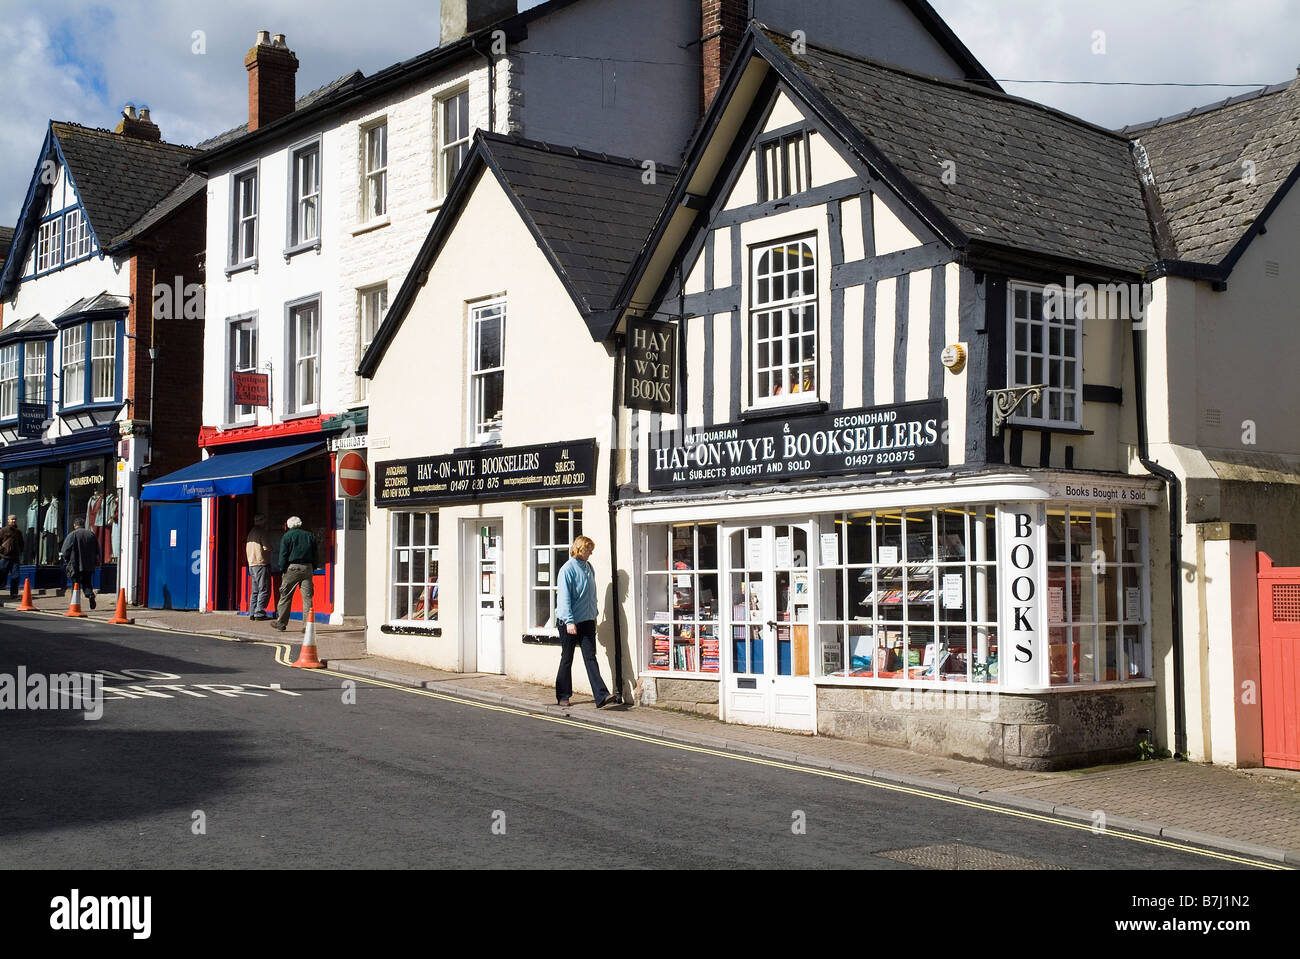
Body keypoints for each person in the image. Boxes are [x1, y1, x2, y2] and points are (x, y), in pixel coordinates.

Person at [554, 534, 618, 708]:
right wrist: (569, 621)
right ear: (579, 549)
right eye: (588, 550)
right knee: (567, 658)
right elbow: (564, 598)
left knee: (590, 657)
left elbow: (591, 594)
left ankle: (601, 696)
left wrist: (594, 614)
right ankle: (563, 695)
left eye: (591, 550)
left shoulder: (589, 567)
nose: (590, 553)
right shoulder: (567, 569)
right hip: (569, 622)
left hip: (587, 620)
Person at [271, 516, 318, 632]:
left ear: (288, 525)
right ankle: (307, 625)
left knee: (285, 596)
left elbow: (283, 555)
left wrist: (282, 568)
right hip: (307, 568)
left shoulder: (287, 536)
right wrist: (313, 567)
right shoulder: (309, 535)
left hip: (292, 568)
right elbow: (315, 554)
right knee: (307, 598)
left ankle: (281, 622)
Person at [61, 518, 101, 610]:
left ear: (75, 525)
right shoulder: (91, 535)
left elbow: (65, 551)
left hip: (76, 564)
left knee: (75, 584)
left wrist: (67, 561)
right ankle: (90, 594)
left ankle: (75, 604)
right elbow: (97, 550)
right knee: (87, 583)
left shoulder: (73, 534)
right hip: (89, 565)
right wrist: (96, 561)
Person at [245, 514, 272, 620]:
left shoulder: (251, 532)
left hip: (251, 564)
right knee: (264, 589)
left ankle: (252, 612)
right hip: (261, 563)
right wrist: (272, 548)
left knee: (255, 590)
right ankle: (259, 613)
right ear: (263, 522)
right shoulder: (262, 532)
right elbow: (267, 547)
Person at [0, 514, 23, 602]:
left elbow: (21, 544)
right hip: (4, 558)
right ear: (8, 521)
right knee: (1, 575)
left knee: (15, 577)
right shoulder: (3, 531)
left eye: (15, 519)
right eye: (12, 519)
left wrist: (20, 551)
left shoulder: (18, 532)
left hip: (15, 558)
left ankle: (14, 594)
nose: (13, 521)